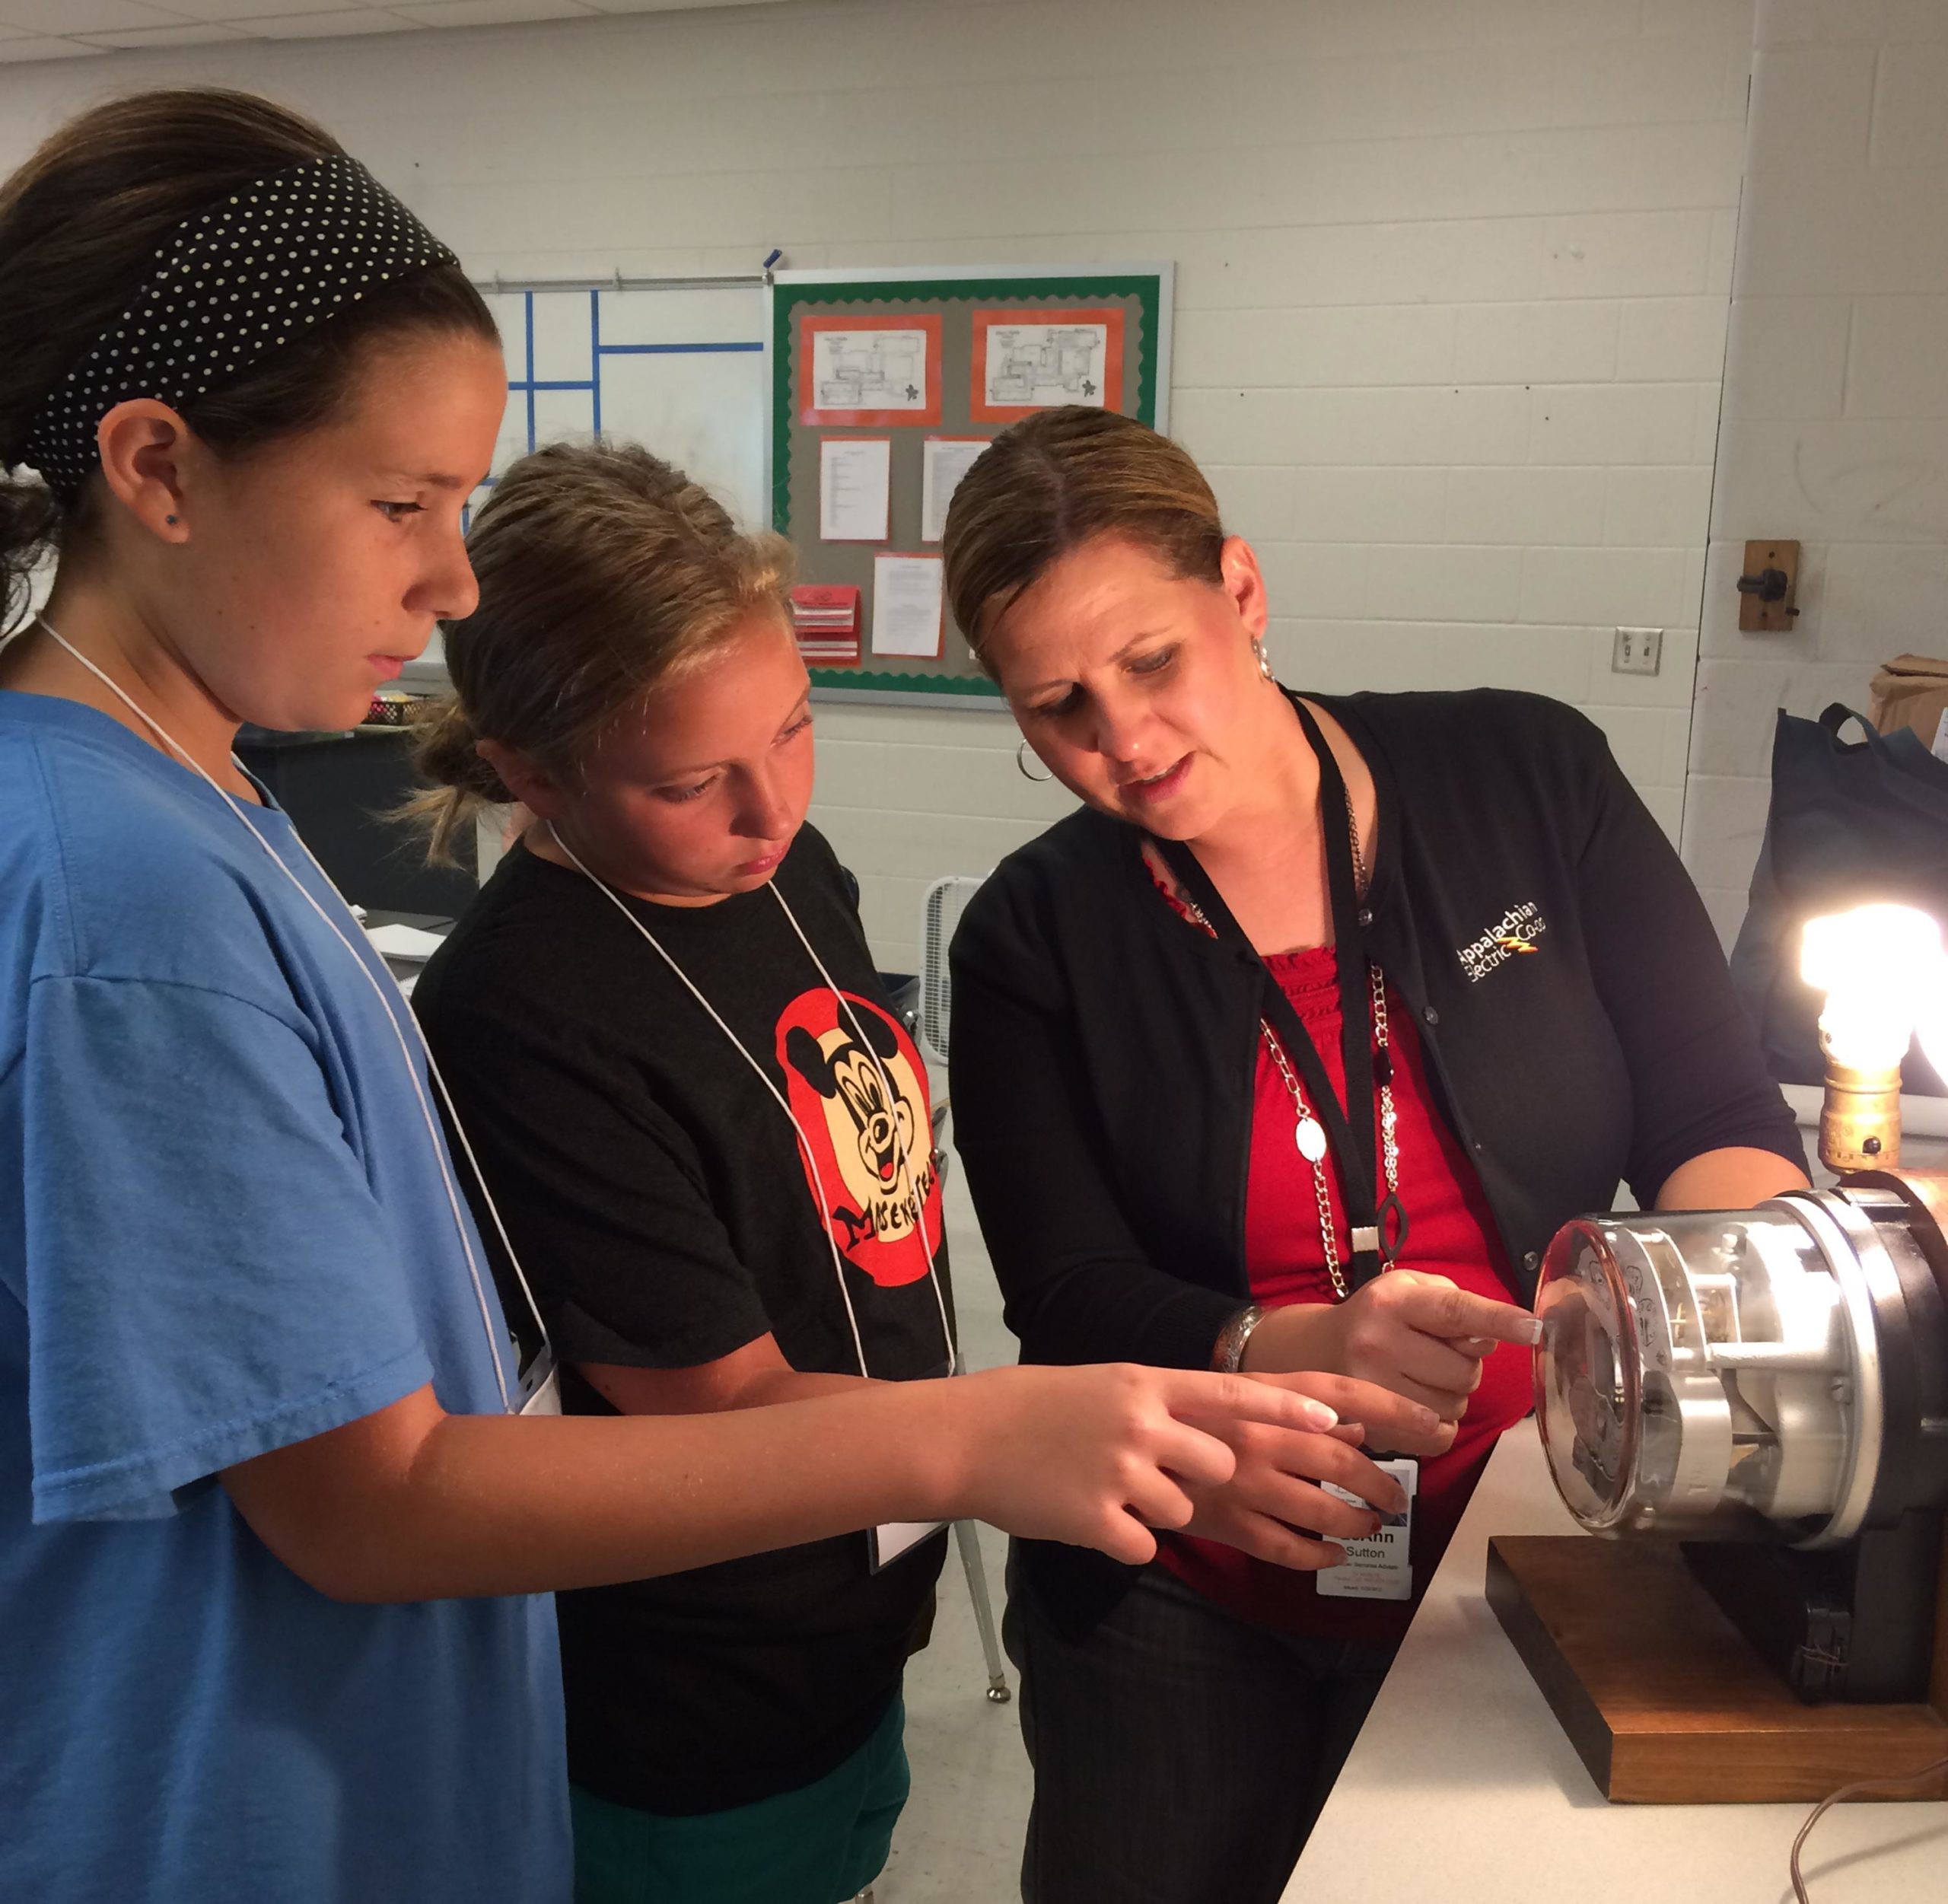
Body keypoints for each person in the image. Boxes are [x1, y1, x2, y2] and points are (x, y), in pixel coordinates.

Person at [0, 97, 1415, 1904]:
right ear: (158, 467)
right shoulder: (120, 889)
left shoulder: (201, 803)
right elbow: (365, 1500)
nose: (446, 578)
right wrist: (981, 1434)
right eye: (400, 505)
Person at [404, 439, 1434, 1904]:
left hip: (851, 1620)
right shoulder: (526, 1015)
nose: (771, 810)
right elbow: (723, 1418)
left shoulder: (780, 866)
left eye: (796, 728)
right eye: (696, 781)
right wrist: (1027, 1437)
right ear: (527, 770)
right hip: (700, 1686)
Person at [938, 406, 1812, 1904]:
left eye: (1151, 663)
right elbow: (1070, 1294)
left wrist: (1779, 1322)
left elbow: (1709, 1124)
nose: (1123, 744)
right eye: (1054, 709)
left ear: (1242, 592)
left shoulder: (1524, 777)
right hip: (1186, 1585)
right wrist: (1290, 1339)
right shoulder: (1038, 929)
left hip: (1529, 1530)